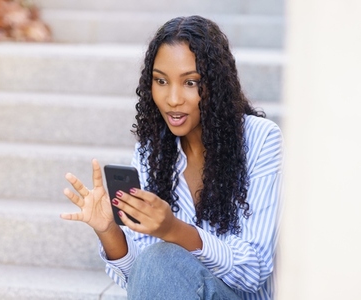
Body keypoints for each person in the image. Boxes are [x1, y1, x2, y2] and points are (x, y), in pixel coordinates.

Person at [61, 15, 283, 300]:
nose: (173, 98)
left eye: (190, 83)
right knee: (156, 261)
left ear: (217, 84)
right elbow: (145, 281)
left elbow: (254, 270)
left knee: (161, 258)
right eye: (161, 81)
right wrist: (108, 231)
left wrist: (173, 230)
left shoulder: (260, 139)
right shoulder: (152, 154)